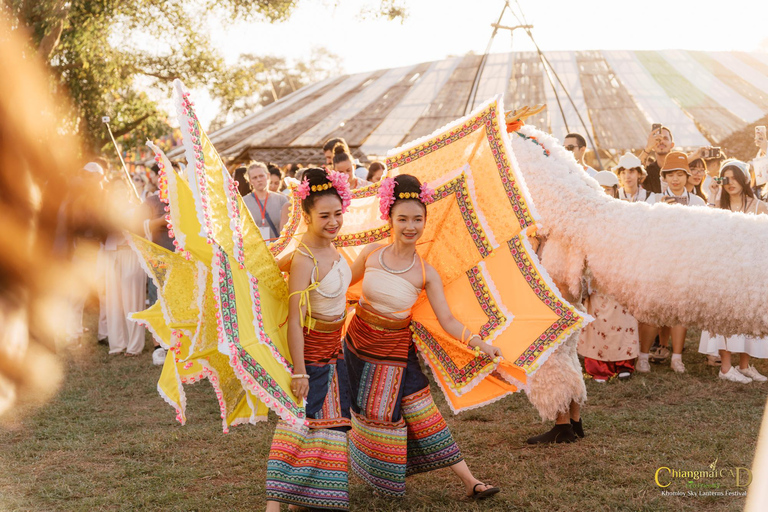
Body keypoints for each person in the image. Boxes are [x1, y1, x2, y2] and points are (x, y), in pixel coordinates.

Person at [344, 174, 501, 501]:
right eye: (402, 218)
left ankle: (471, 482)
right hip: (356, 347)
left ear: (425, 222)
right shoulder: (371, 253)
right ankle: (365, 483)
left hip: (396, 354)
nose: (410, 226)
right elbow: (342, 283)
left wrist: (479, 343)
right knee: (357, 414)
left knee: (424, 413)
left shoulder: (426, 272)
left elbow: (447, 319)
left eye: (417, 219)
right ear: (390, 218)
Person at [265, 168, 354, 511]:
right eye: (324, 216)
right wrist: (299, 371)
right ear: (306, 216)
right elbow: (294, 321)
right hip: (311, 353)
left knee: (329, 427)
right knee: (297, 428)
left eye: (337, 214)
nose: (333, 222)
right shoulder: (303, 258)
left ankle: (303, 501)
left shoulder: (335, 248)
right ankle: (274, 507)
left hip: (335, 352)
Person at [699, 160, 768, 383]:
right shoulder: (718, 205)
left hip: (751, 270)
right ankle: (726, 368)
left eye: (735, 177)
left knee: (749, 317)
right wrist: (711, 195)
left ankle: (745, 365)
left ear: (744, 179)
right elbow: (706, 228)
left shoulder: (759, 206)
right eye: (725, 178)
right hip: (725, 270)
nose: (731, 183)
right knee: (726, 317)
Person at [637, 152, 706, 374]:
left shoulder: (698, 202)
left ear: (687, 176)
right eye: (670, 175)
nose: (675, 179)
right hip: (659, 261)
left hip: (685, 261)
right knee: (652, 310)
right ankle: (644, 356)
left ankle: (677, 357)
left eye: (679, 174)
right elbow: (645, 230)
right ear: (664, 177)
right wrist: (661, 212)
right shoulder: (654, 200)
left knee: (681, 311)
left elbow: (704, 233)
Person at [577, 178, 639, 382]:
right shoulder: (586, 217)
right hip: (596, 275)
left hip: (620, 275)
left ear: (615, 190)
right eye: (600, 189)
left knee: (622, 319)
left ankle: (624, 364)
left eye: (608, 189)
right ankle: (599, 367)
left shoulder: (624, 213)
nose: (605, 193)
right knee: (598, 321)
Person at [143, 163, 175, 365]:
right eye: (162, 176)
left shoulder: (184, 199)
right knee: (158, 302)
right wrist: (159, 222)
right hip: (157, 258)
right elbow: (137, 226)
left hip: (181, 260)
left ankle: (178, 344)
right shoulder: (151, 201)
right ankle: (158, 347)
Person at [243, 161, 288, 241]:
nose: (259, 180)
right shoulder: (244, 202)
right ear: (250, 181)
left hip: (278, 250)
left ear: (267, 176)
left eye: (261, 176)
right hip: (255, 250)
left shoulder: (282, 200)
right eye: (255, 177)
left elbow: (288, 231)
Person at [639, 126, 675, 194]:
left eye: (665, 138)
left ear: (672, 145)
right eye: (658, 139)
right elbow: (633, 170)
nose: (661, 141)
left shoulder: (680, 169)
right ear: (652, 146)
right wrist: (647, 148)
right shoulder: (648, 172)